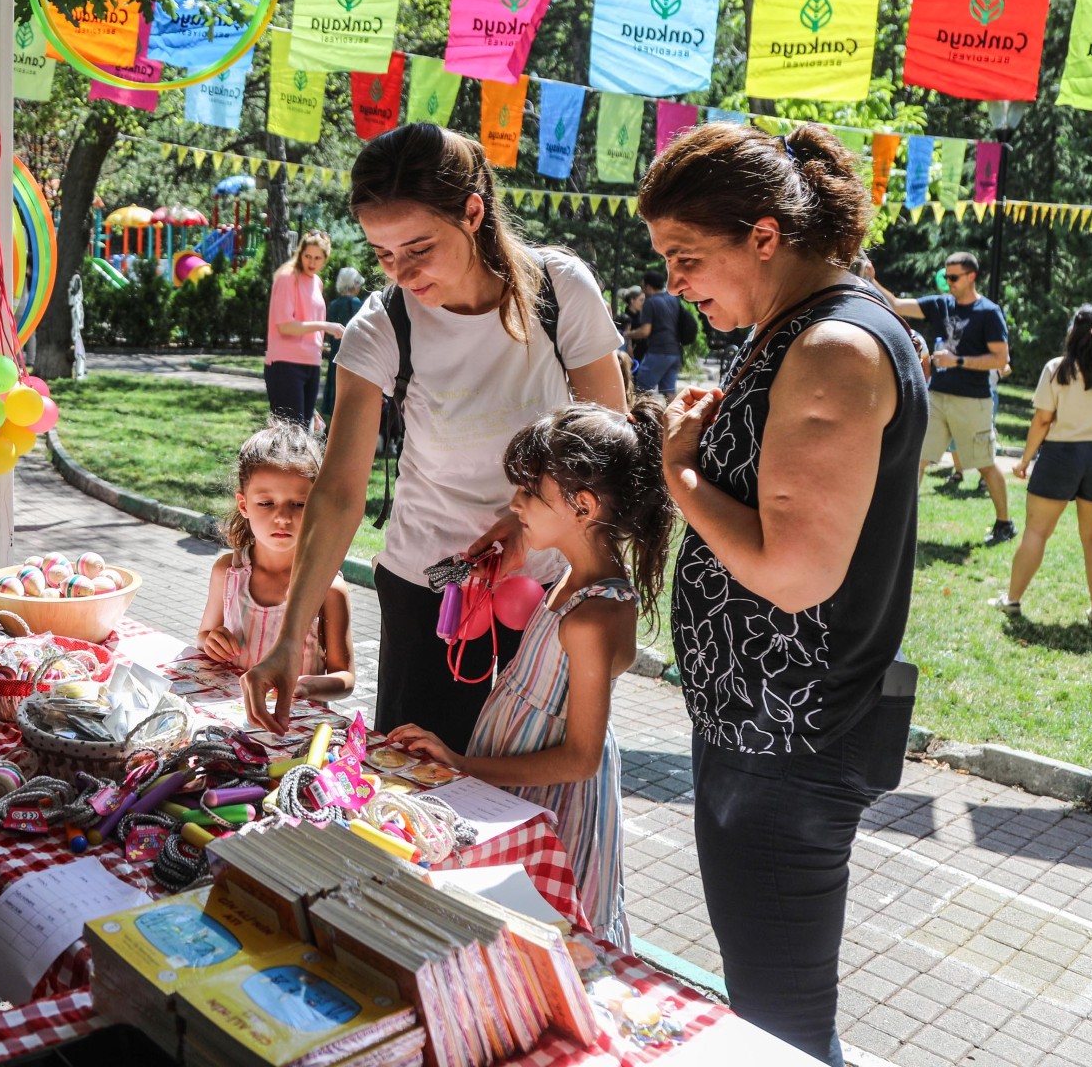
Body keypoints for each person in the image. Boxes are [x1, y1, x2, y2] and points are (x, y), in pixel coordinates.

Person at [640, 122, 927, 1066]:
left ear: (765, 235)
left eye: (687, 257)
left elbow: (794, 574)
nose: (674, 285)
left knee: (781, 1025)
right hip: (761, 728)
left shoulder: (836, 346)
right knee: (768, 998)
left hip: (791, 741)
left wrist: (682, 472)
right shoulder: (793, 327)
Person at [240, 122, 626, 748]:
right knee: (417, 783)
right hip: (431, 591)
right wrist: (289, 639)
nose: (403, 272)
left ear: (473, 211)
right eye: (384, 254)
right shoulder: (384, 322)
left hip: (552, 589)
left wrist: (529, 534)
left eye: (419, 248)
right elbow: (338, 493)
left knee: (528, 779)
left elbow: (614, 448)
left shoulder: (561, 291)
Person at [387, 397, 675, 948]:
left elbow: (581, 757)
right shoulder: (575, 576)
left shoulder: (592, 616)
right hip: (520, 779)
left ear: (583, 506)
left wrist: (464, 765)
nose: (514, 504)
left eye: (529, 493)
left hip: (552, 799)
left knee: (543, 930)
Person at [998, 306, 1092, 626]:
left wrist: (1025, 460)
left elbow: (1043, 420)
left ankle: (1012, 600)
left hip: (1060, 456)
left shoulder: (1057, 368)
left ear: (1073, 331)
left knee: (1036, 531)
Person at [197, 421, 354, 699]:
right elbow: (204, 635)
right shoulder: (227, 572)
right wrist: (212, 641)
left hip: (293, 728)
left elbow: (345, 678)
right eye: (267, 503)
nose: (282, 517)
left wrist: (303, 686)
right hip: (231, 719)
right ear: (244, 505)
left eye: (299, 504)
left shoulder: (328, 588)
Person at [867, 251, 1014, 544]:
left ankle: (1004, 524)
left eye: (954, 277)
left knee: (984, 463)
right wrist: (872, 280)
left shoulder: (988, 312)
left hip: (972, 400)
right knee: (917, 459)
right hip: (936, 397)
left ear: (971, 277)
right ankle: (901, 523)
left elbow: (1000, 359)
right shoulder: (940, 304)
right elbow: (896, 305)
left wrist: (957, 361)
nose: (948, 282)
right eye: (946, 276)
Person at [264, 229, 346, 425]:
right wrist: (325, 326)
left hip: (312, 363)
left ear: (325, 259)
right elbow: (285, 326)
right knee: (291, 438)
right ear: (300, 253)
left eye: (318, 258)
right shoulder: (287, 277)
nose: (312, 262)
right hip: (285, 364)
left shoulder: (317, 282)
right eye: (307, 256)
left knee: (304, 435)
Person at [625, 268, 685, 397]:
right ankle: (675, 417)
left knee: (641, 388)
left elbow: (645, 331)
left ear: (648, 286)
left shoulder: (650, 302)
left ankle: (641, 416)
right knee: (669, 391)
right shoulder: (673, 299)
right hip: (674, 352)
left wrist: (628, 334)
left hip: (658, 352)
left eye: (643, 286)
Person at [319, 266, 367, 421]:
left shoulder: (333, 305)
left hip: (335, 354)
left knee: (335, 393)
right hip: (353, 356)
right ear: (354, 285)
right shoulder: (356, 304)